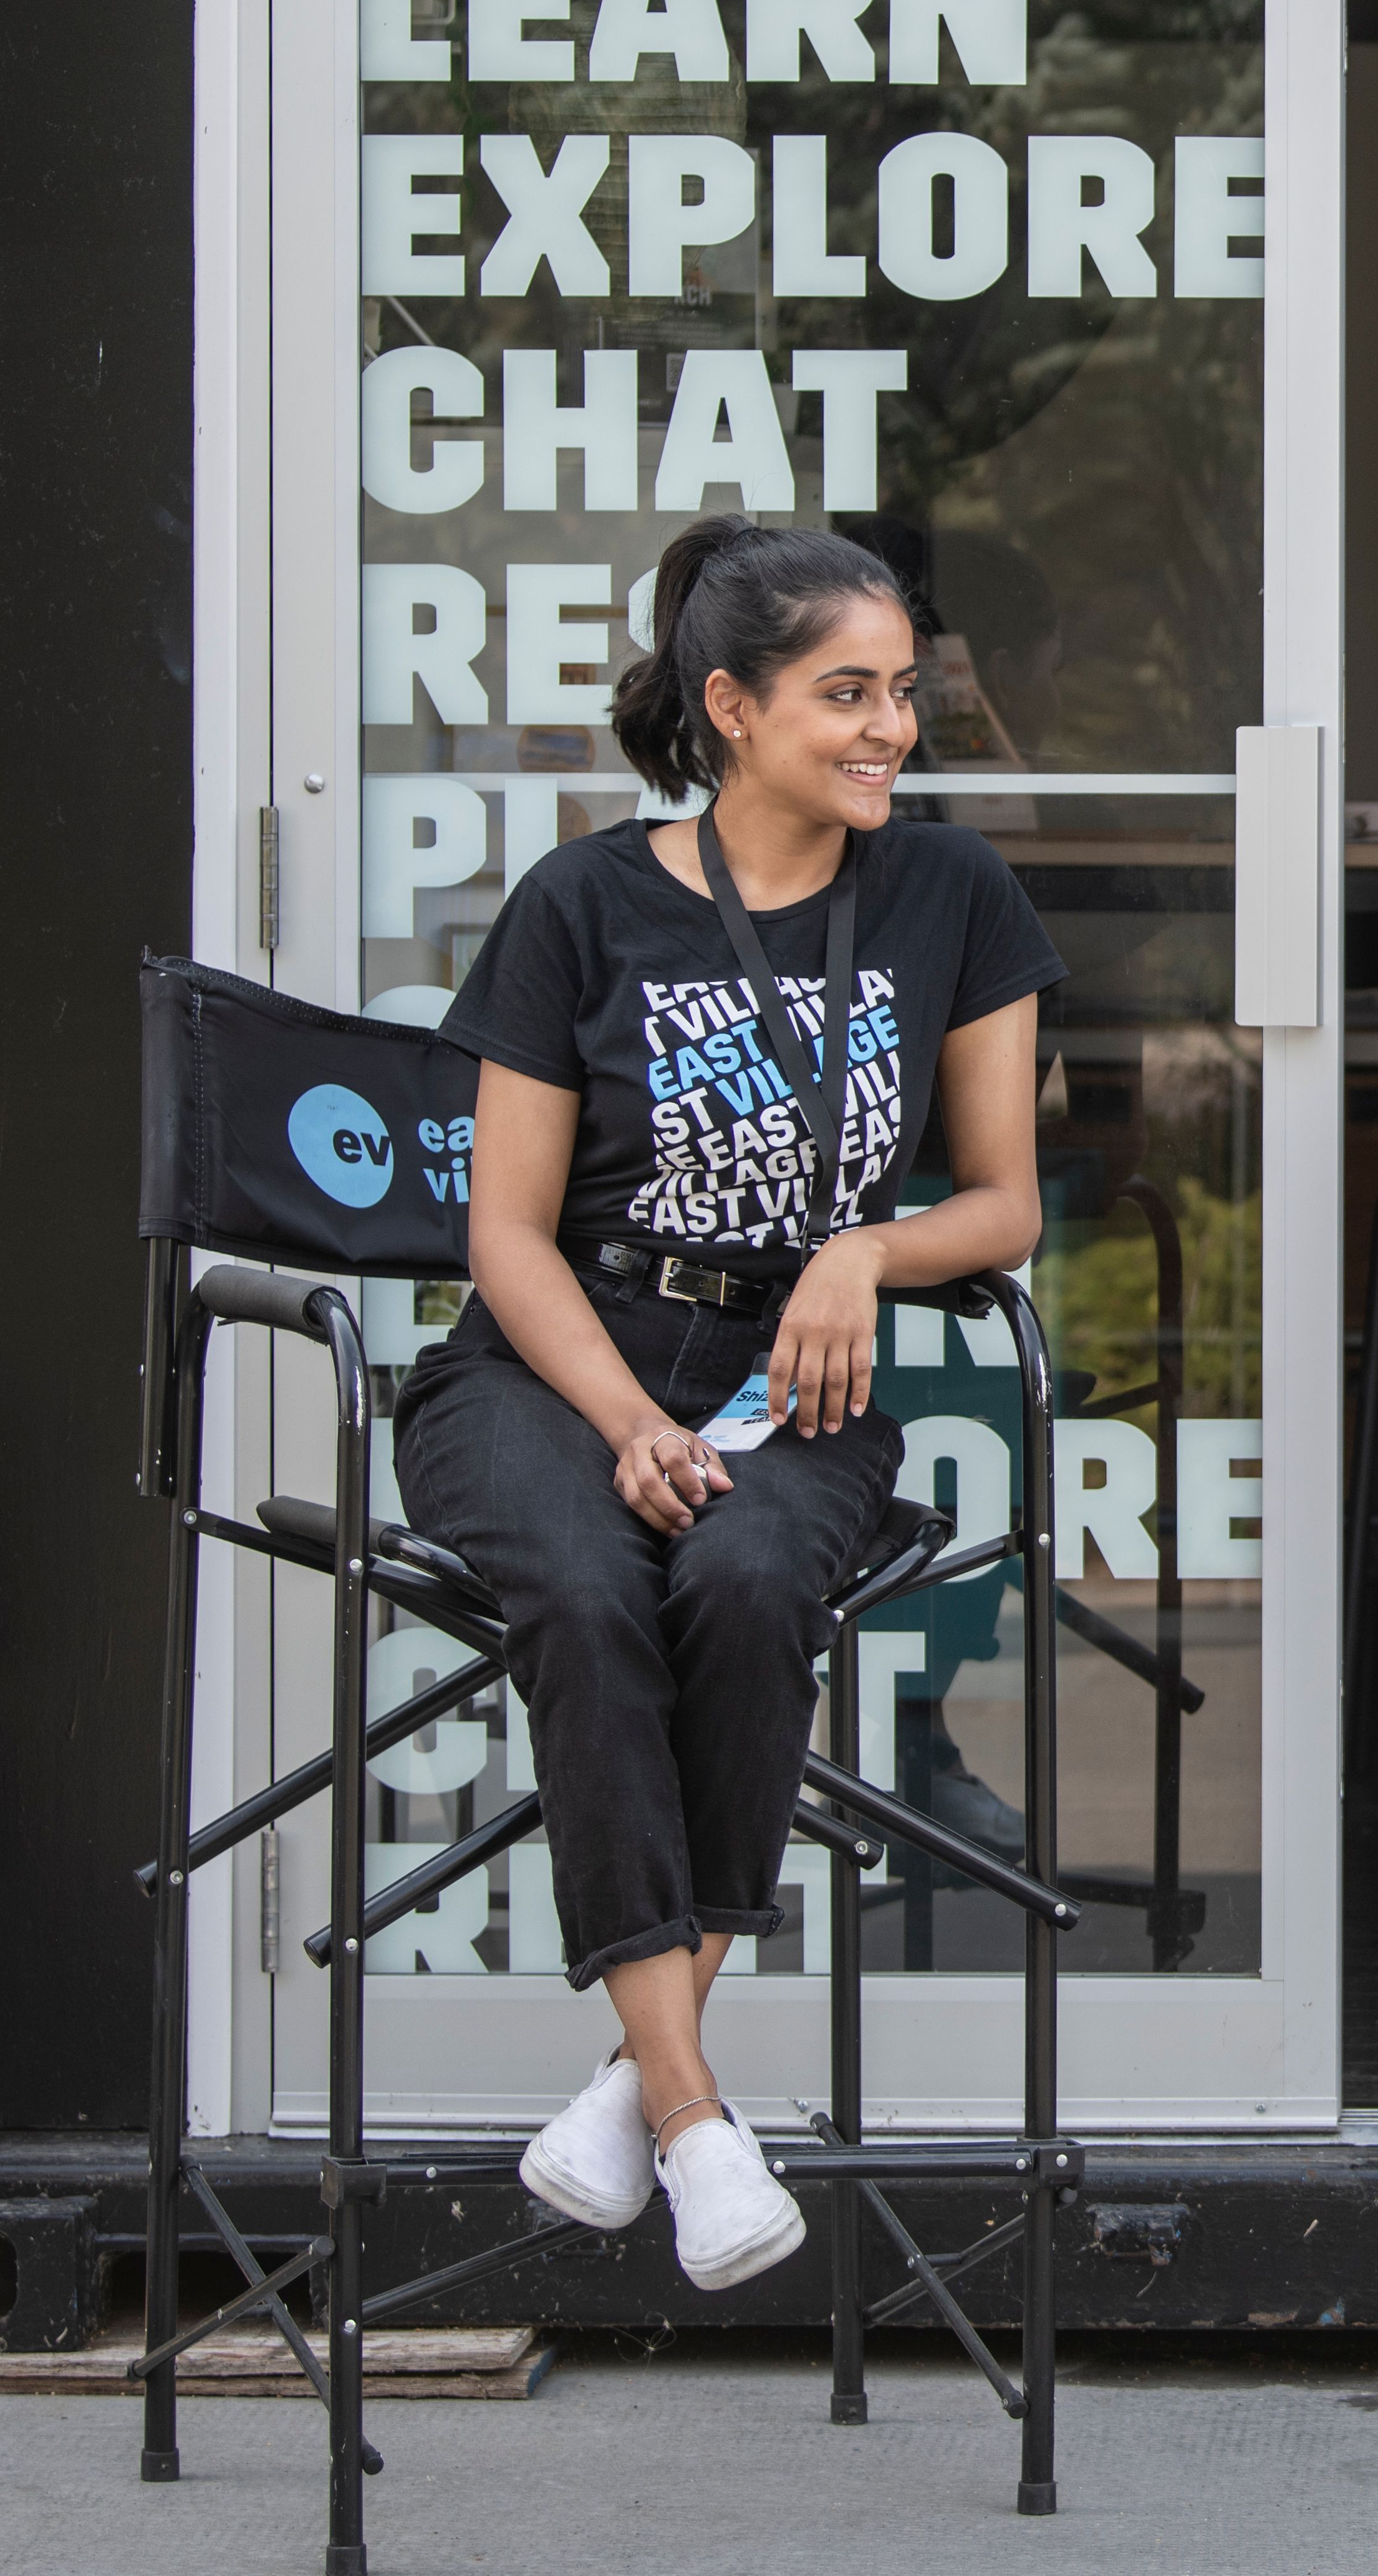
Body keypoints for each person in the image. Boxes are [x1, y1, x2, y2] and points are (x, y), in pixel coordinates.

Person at [396, 513, 1065, 2290]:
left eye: (903, 694)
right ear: (731, 706)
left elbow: (1005, 1200)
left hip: (799, 1372)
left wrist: (863, 1254)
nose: (889, 732)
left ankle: (634, 2092)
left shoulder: (951, 895)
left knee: (755, 1584)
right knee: (597, 1590)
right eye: (845, 694)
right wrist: (626, 1420)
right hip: (556, 1367)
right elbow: (506, 1235)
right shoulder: (586, 902)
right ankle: (693, 2113)